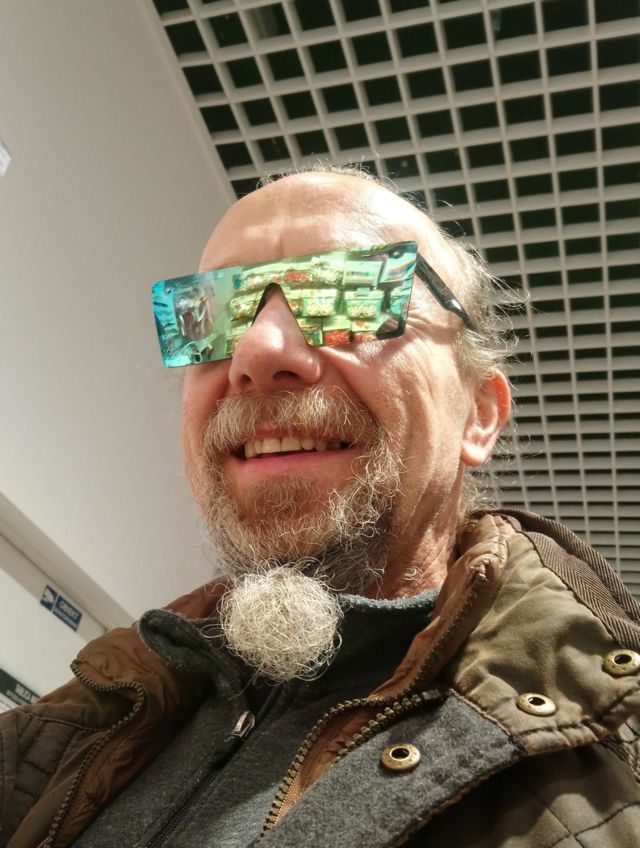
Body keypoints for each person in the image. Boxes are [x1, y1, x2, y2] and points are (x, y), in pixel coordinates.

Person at [2, 168, 639, 848]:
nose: (257, 352)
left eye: (349, 294)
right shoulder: (57, 736)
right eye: (214, 313)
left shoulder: (613, 779)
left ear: (479, 414)